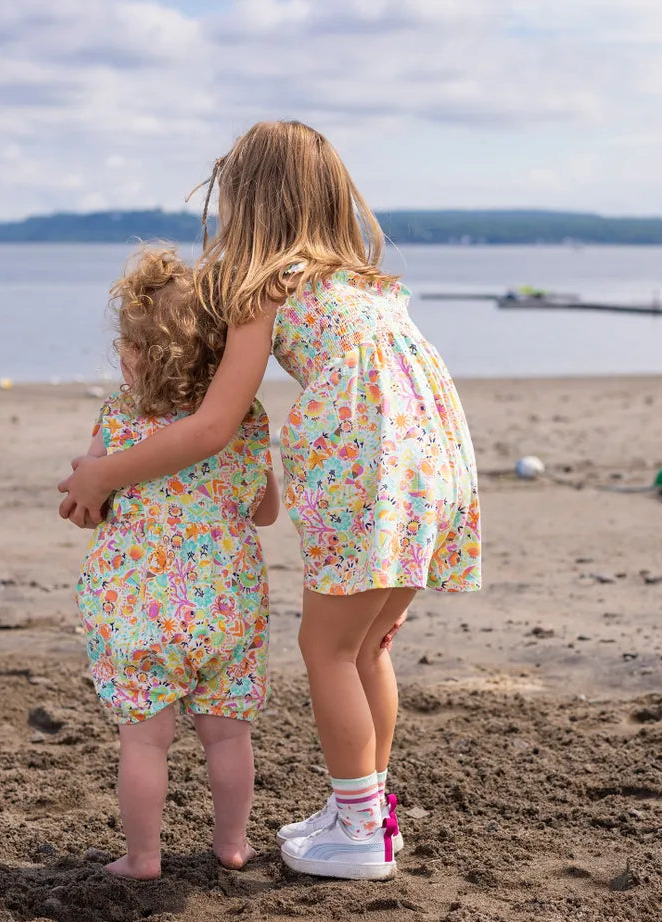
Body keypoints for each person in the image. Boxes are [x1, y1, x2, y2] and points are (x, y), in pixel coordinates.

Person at [60, 121, 481, 880]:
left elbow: (214, 424)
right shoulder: (367, 285)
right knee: (367, 647)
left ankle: (357, 832)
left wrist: (104, 473)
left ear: (248, 201)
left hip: (367, 473)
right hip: (431, 473)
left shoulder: (267, 285)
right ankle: (369, 812)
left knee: (326, 649)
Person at [74, 245, 279, 879]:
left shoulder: (118, 421)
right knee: (228, 737)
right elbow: (266, 510)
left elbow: (89, 503)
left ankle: (142, 857)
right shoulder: (245, 418)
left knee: (143, 741)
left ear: (138, 356)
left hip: (137, 609)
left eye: (125, 347)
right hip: (227, 606)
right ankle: (232, 845)